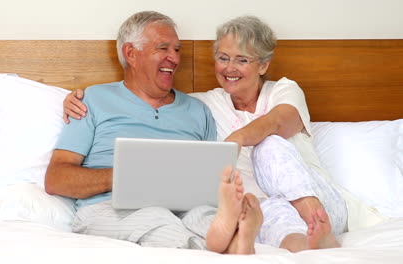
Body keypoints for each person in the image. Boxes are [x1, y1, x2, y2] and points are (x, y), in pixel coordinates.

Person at [62, 15, 348, 254]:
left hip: (300, 198)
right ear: (131, 53)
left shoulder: (211, 105)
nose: (174, 59)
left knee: (257, 161)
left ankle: (280, 229)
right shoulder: (93, 101)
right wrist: (128, 174)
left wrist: (232, 148)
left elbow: (271, 126)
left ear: (263, 65)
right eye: (164, 48)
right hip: (114, 206)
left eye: (177, 50)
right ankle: (246, 248)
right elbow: (57, 177)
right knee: (167, 218)